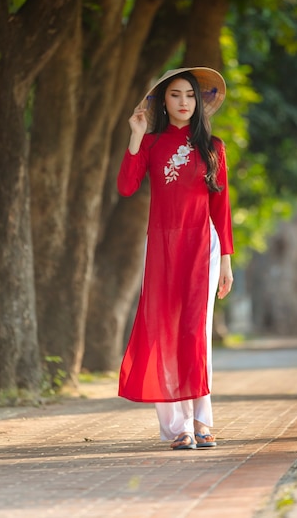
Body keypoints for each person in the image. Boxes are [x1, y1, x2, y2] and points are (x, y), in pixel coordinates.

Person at [117, 67, 234, 450]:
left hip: (203, 244)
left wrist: (228, 262)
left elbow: (222, 208)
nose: (183, 102)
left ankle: (202, 421)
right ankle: (177, 427)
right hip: (162, 246)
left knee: (194, 332)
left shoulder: (212, 147)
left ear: (198, 102)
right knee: (163, 328)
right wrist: (135, 135)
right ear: (162, 102)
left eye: (189, 95)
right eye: (174, 95)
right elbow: (126, 185)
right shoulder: (150, 144)